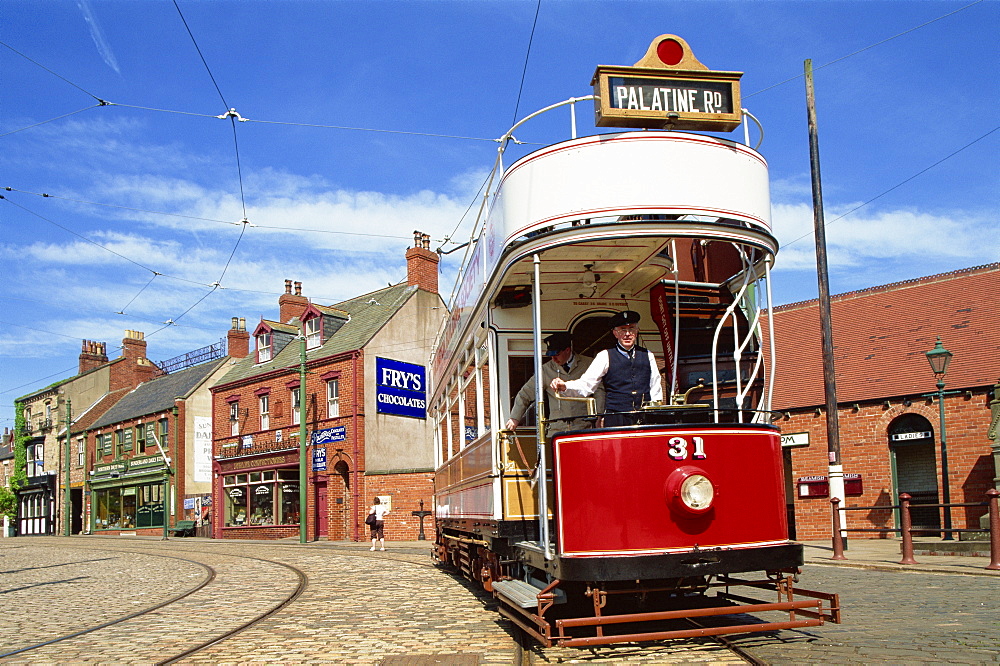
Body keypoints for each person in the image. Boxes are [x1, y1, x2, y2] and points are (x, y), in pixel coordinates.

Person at [550, 310, 662, 427]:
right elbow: (587, 384)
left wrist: (655, 412)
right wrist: (565, 386)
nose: (627, 334)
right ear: (615, 333)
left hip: (643, 417)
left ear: (637, 331)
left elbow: (655, 387)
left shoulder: (648, 355)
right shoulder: (604, 356)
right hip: (616, 418)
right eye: (623, 330)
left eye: (632, 329)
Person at [505, 332, 603, 436]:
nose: (553, 359)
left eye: (556, 355)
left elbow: (599, 391)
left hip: (584, 427)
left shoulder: (588, 364)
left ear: (567, 350)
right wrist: (514, 418)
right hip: (557, 429)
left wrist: (600, 416)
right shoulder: (545, 370)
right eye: (551, 356)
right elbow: (525, 393)